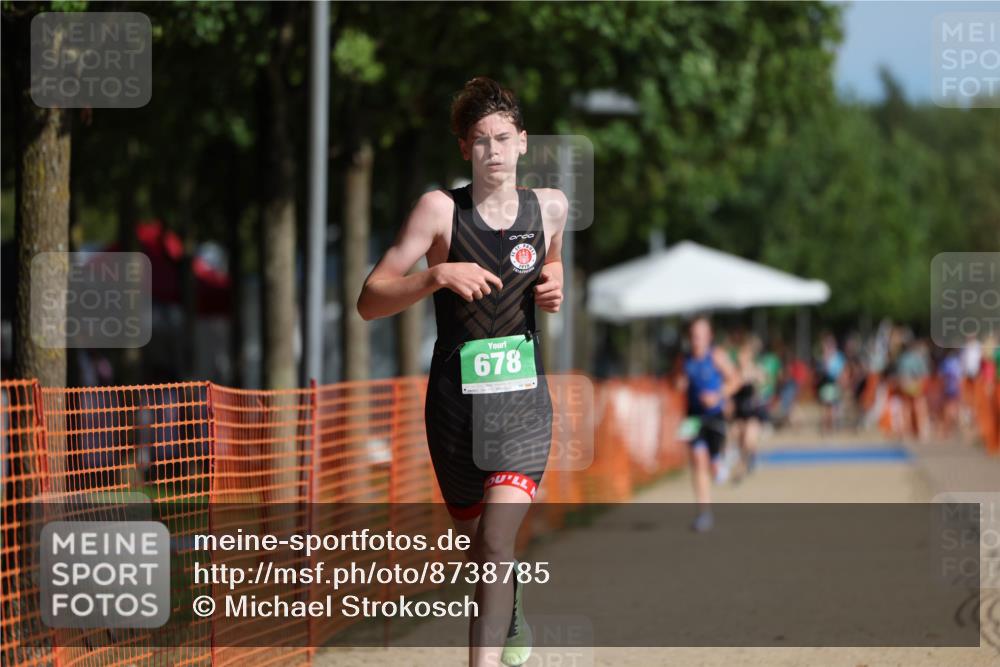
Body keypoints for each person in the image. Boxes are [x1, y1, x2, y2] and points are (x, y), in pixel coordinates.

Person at [357, 77, 566, 667]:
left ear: (523, 143)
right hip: (455, 405)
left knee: (497, 543)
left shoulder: (550, 206)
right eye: (479, 140)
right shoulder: (438, 210)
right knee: (478, 548)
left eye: (503, 138)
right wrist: (435, 276)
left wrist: (557, 281)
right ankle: (513, 605)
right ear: (463, 149)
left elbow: (551, 263)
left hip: (524, 403)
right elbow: (369, 299)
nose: (493, 150)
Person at [675, 317, 741, 532]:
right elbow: (675, 381)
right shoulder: (684, 360)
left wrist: (718, 395)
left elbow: (735, 380)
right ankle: (704, 513)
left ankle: (720, 460)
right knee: (697, 459)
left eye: (701, 335)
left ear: (709, 336)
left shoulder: (716, 356)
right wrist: (679, 382)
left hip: (714, 416)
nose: (697, 340)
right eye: (694, 335)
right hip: (693, 417)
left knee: (713, 465)